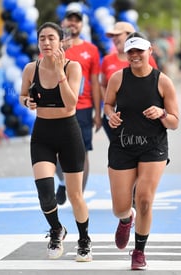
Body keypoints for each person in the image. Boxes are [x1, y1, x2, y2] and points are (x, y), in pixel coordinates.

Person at [103, 32, 179, 270]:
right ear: (126, 54)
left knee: (145, 199)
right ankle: (126, 220)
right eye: (131, 51)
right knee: (120, 206)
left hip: (153, 146)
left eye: (139, 51)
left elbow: (175, 121)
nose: (135, 55)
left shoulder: (162, 81)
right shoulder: (117, 78)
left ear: (150, 51)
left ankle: (139, 251)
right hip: (123, 145)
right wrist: (110, 116)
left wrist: (162, 114)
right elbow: (107, 104)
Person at [19, 22, 92, 262]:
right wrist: (27, 102)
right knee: (45, 194)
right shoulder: (31, 68)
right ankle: (56, 230)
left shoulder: (74, 67)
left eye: (52, 38)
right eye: (42, 38)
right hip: (43, 134)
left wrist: (60, 72)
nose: (47, 43)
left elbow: (71, 103)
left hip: (68, 132)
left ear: (61, 42)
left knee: (75, 195)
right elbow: (23, 96)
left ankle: (84, 239)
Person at [56, 9, 102, 205]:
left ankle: (79, 197)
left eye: (77, 21)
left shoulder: (91, 49)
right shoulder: (54, 47)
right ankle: (63, 182)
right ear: (63, 22)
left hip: (82, 107)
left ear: (82, 25)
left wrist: (98, 113)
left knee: (82, 152)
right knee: (57, 151)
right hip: (57, 105)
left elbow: (95, 81)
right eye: (70, 20)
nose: (73, 24)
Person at [101, 21, 158, 139]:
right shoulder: (107, 59)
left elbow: (155, 84)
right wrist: (109, 107)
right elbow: (102, 85)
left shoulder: (146, 58)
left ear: (129, 35)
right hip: (115, 117)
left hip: (140, 117)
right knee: (118, 150)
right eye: (112, 36)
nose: (114, 39)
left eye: (117, 35)